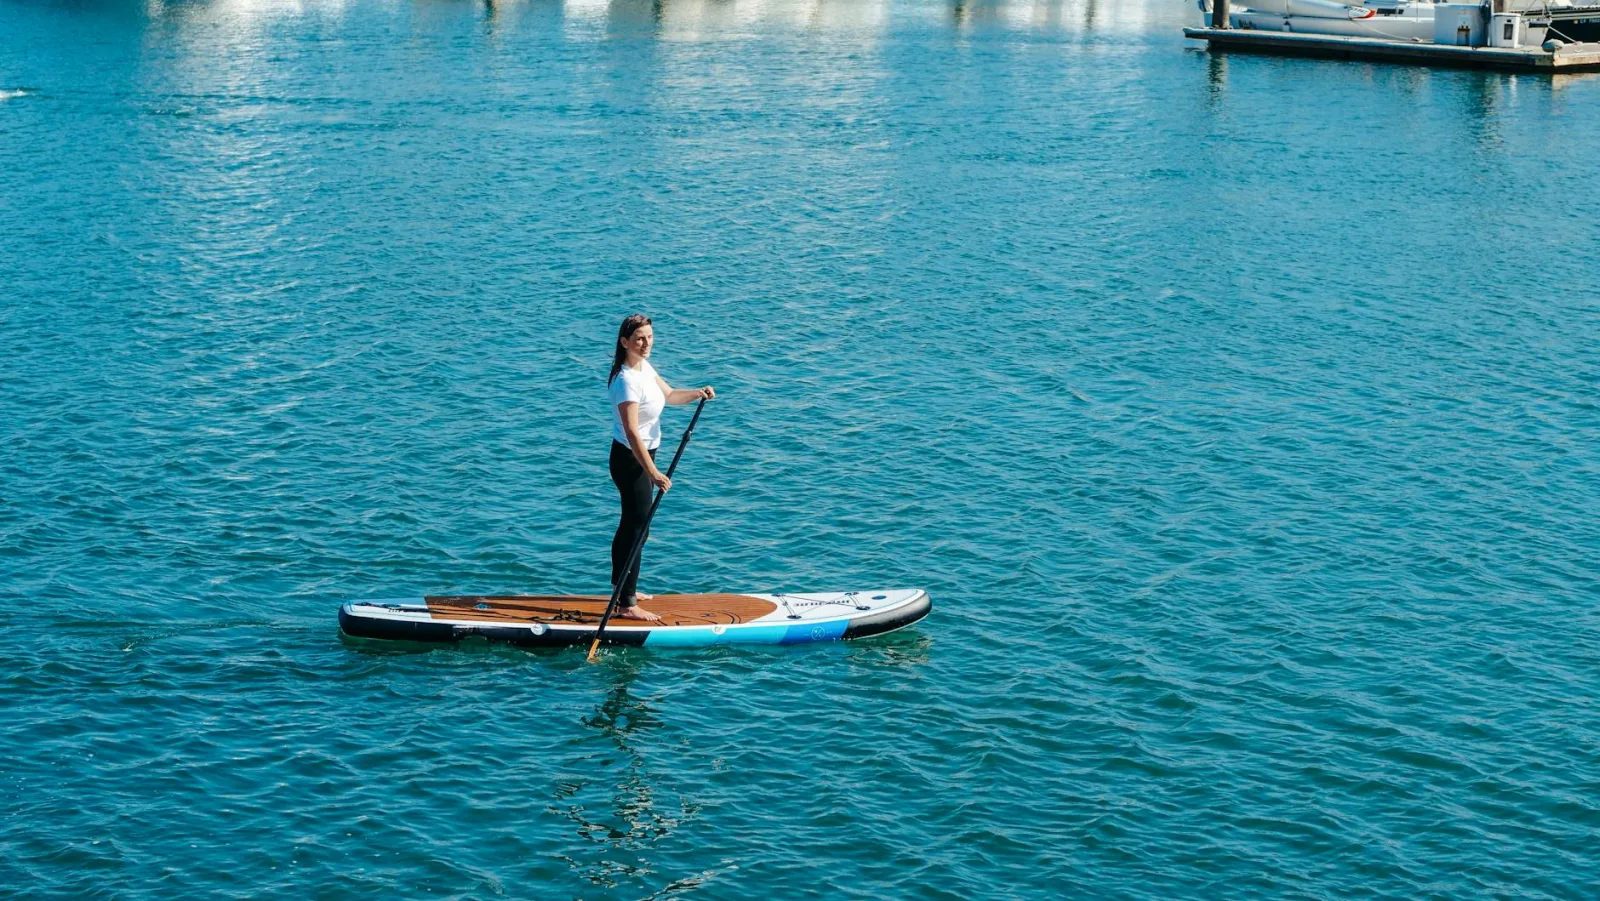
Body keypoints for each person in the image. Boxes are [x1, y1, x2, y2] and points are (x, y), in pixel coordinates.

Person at [606, 314, 714, 622]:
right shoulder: (626, 380)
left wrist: (697, 393)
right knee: (638, 527)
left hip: (641, 457)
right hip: (631, 460)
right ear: (624, 342)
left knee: (634, 525)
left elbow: (669, 396)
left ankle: (622, 586)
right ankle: (626, 604)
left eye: (649, 337)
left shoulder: (644, 368)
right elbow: (632, 433)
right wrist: (653, 472)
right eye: (639, 338)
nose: (646, 343)